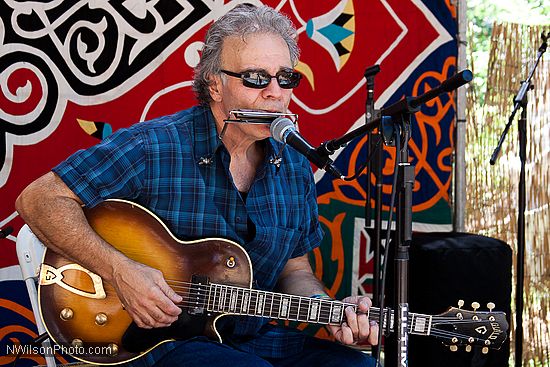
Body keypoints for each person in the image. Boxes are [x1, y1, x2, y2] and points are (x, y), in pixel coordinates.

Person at [16, 4, 378, 367]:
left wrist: (331, 312)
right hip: (154, 342)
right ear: (214, 84)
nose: (275, 93)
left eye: (286, 78)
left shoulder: (295, 167)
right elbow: (38, 199)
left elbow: (295, 271)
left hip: (251, 338)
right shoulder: (154, 146)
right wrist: (119, 270)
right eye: (255, 78)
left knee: (359, 365)